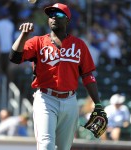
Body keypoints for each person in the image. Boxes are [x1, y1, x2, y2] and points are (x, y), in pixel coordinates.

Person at [9, 3, 106, 150]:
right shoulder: (37, 42)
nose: (54, 17)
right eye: (51, 15)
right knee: (46, 145)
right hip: (46, 99)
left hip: (70, 101)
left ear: (67, 20)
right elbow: (14, 58)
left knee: (63, 148)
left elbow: (87, 75)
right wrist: (23, 35)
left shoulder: (79, 45)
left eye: (59, 14)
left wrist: (97, 104)